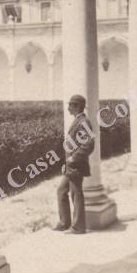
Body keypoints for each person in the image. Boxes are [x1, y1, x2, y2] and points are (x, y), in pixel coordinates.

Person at [54, 94, 94, 234]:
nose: (68, 108)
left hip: (77, 165)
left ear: (77, 106)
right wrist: (67, 162)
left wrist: (73, 158)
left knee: (76, 194)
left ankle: (78, 227)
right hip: (71, 166)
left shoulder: (84, 121)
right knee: (61, 190)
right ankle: (65, 222)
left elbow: (89, 144)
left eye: (70, 105)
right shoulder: (78, 120)